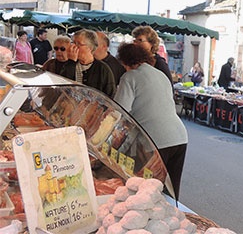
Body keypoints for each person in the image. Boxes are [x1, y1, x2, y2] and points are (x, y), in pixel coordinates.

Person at [114, 43, 188, 200]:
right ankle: (175, 220)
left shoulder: (129, 77)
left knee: (146, 192)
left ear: (125, 62)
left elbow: (119, 111)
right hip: (179, 137)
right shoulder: (160, 75)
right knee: (171, 190)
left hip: (153, 140)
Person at [60, 29, 116, 98]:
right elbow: (62, 87)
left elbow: (110, 96)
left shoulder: (102, 69)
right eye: (73, 43)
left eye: (78, 44)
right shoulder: (69, 64)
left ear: (90, 48)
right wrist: (71, 62)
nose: (73, 47)